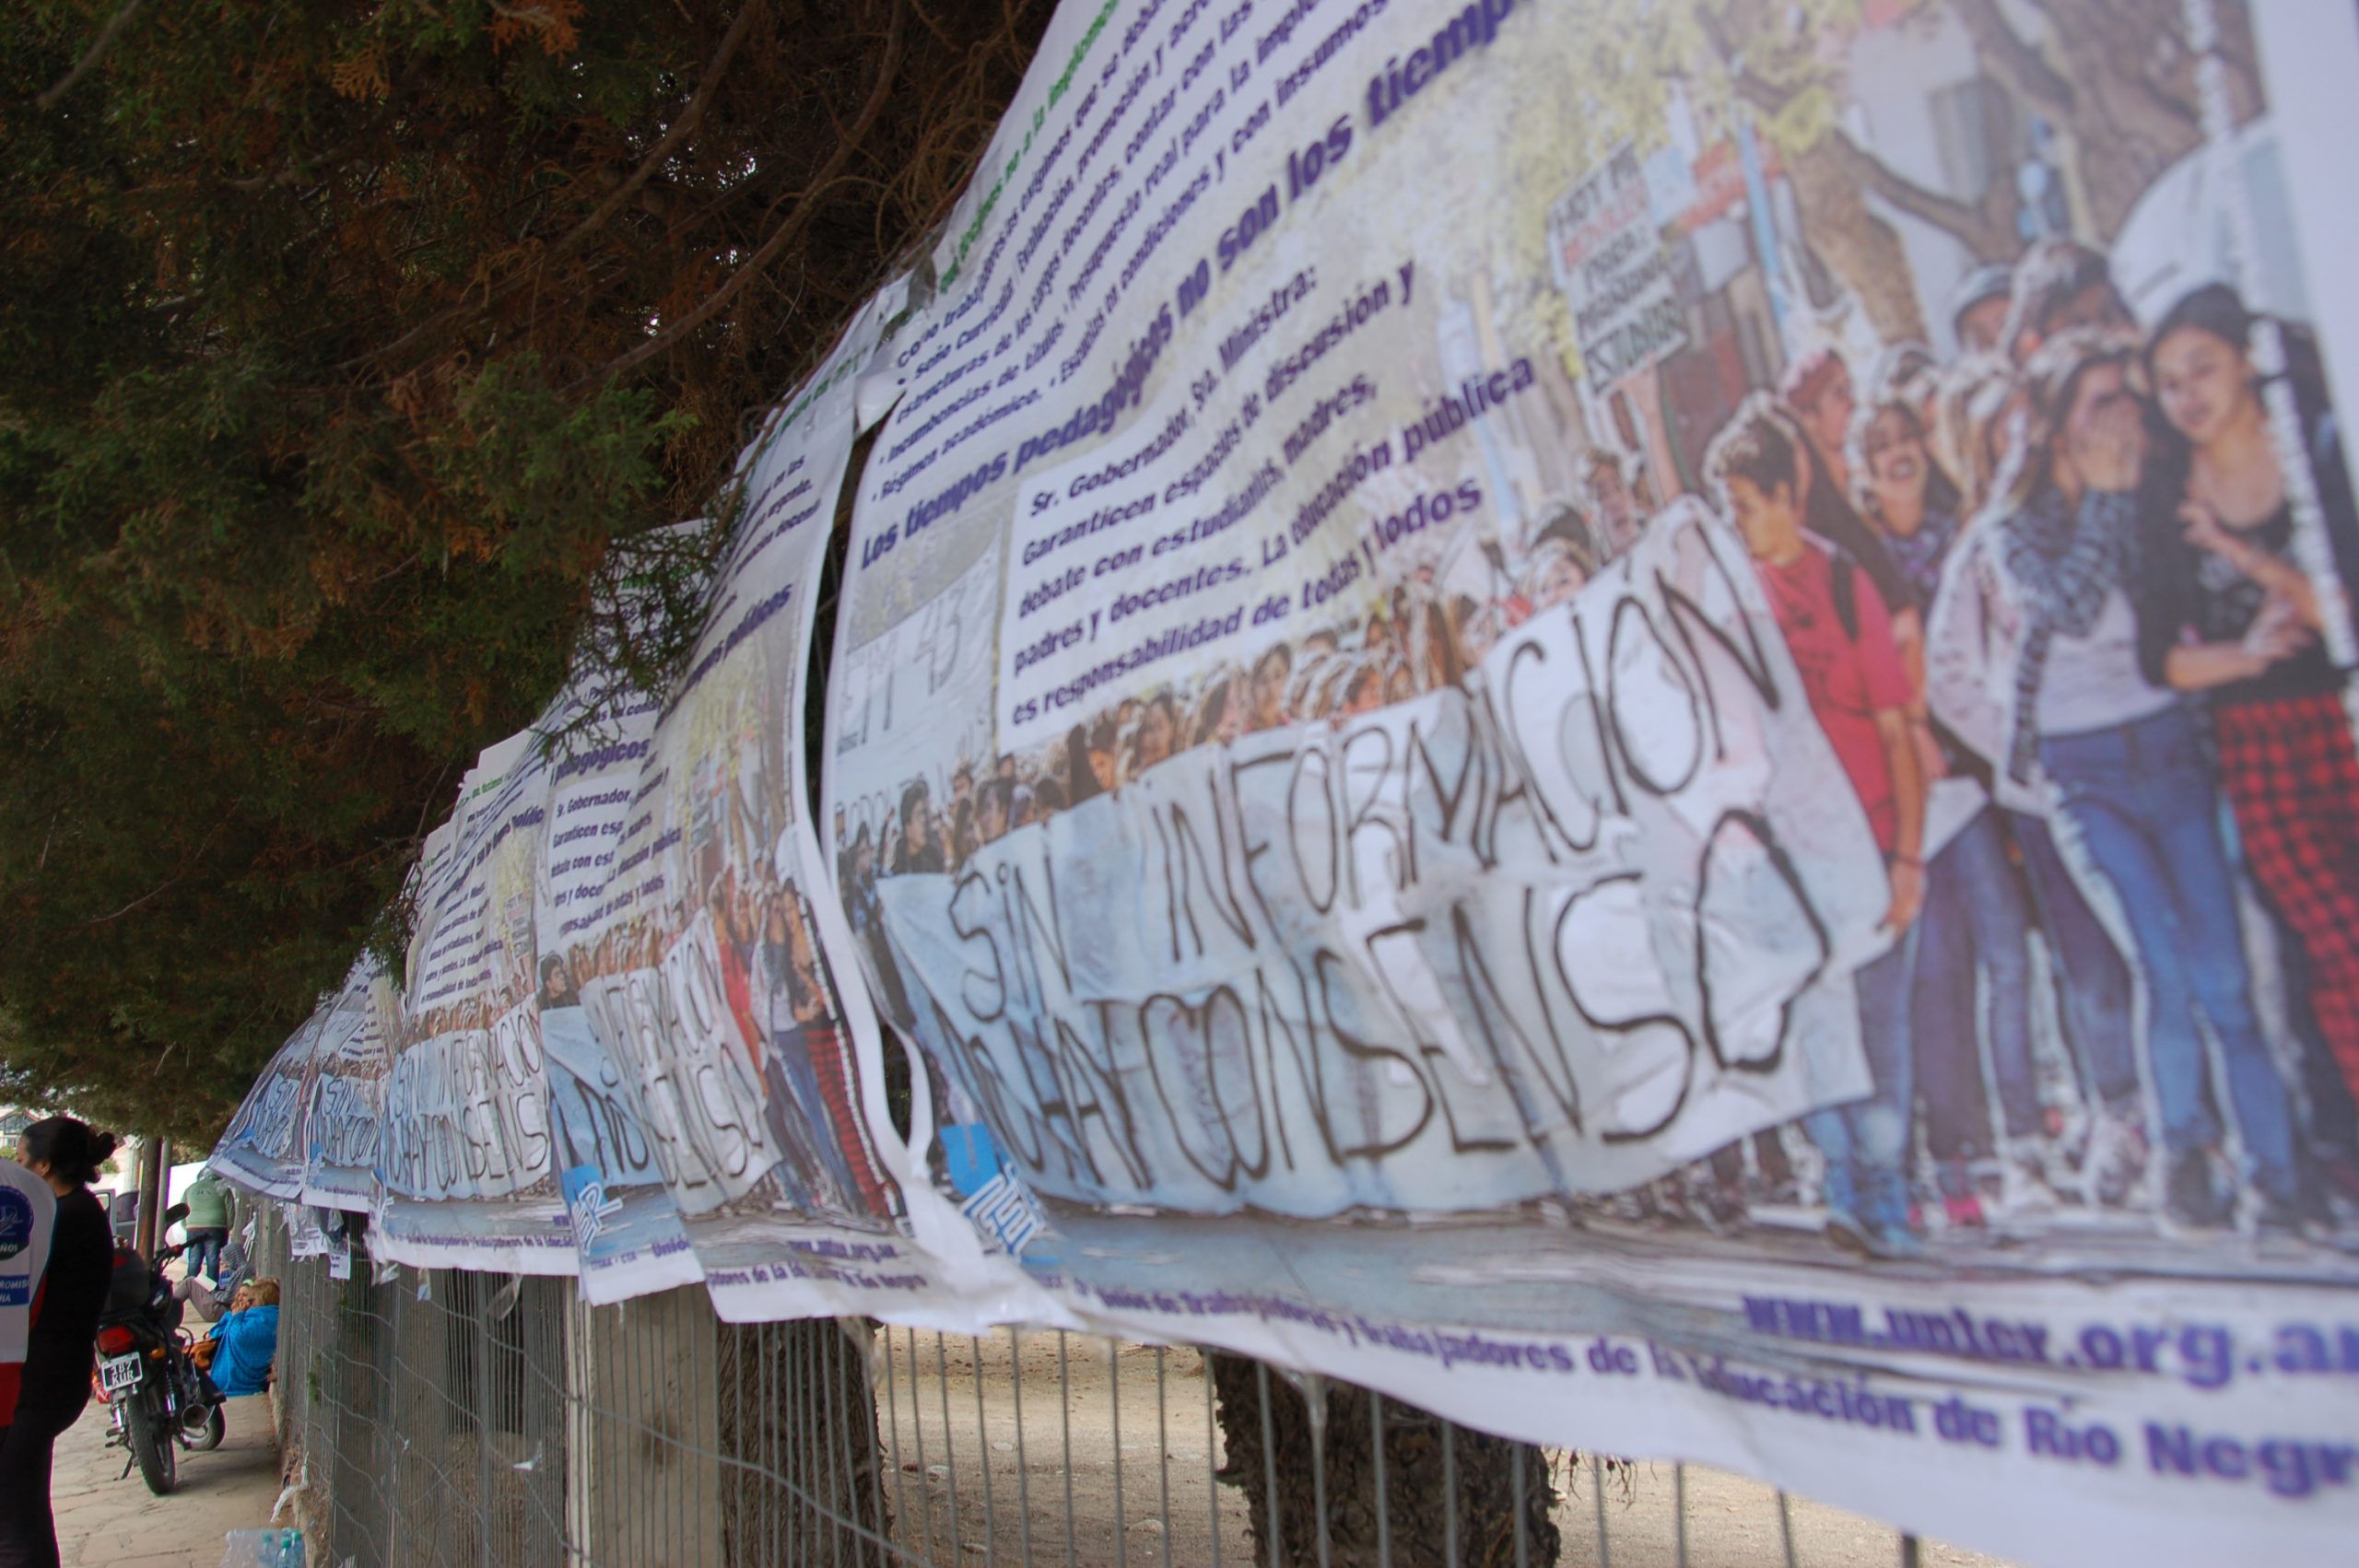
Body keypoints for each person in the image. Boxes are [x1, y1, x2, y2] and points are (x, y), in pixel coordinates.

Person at [1989, 329, 2306, 1234]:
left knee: (2223, 972)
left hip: (2168, 748)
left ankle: (2275, 1169)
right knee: (2160, 963)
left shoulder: (2159, 494)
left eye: (2128, 400)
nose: (2124, 420)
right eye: (2101, 404)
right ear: (2054, 427)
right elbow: (2070, 604)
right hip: (2084, 772)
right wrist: (2106, 501)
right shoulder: (2016, 524)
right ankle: (2182, 1152)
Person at [1707, 397, 1929, 1258]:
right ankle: (1846, 1189)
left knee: (1883, 1026)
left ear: (1787, 495)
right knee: (1821, 1027)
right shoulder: (1733, 612)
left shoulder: (1844, 581)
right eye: (1728, 509)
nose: (1739, 522)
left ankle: (1889, 1197)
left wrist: (1908, 856)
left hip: (1872, 842)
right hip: (1795, 858)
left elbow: (1896, 723)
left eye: (1747, 504)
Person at [2139, 283, 2359, 1117]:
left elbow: (2340, 613)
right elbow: (2161, 659)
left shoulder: (2317, 447)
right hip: (2256, 738)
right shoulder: (2167, 496)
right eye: (2169, 381)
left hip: (2340, 718)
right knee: (2339, 934)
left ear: (2245, 364)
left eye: (2203, 369)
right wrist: (2247, 652)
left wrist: (2248, 557)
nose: (2188, 395)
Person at [1854, 396, 2051, 1222]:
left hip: (1975, 784)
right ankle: (1962, 1153)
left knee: (2009, 954)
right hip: (1910, 798)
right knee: (1941, 978)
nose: (1898, 455)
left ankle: (2026, 1131)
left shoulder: (1957, 531)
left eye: (1907, 440)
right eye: (1881, 445)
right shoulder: (1864, 559)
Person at [2, 1117, 119, 1568]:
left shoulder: (60, 1221)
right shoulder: (79, 1212)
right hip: (56, 1380)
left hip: (40, 1386)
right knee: (25, 1511)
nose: (16, 1168)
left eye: (21, 1160)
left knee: (13, 1520)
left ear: (45, 1165)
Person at [194, 1279, 279, 1400]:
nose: (243, 1300)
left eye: (248, 1298)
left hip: (240, 1382)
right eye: (239, 1295)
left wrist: (237, 1316)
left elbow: (239, 1336)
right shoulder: (265, 1315)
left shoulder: (262, 1318)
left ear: (260, 1300)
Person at [180, 1164, 232, 1285]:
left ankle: (191, 1286)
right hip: (215, 1227)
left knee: (194, 1259)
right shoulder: (222, 1188)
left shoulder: (190, 1188)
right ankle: (211, 1288)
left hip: (193, 1227)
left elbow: (182, 1209)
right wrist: (227, 1227)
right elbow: (230, 1209)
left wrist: (186, 1225)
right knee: (212, 1259)